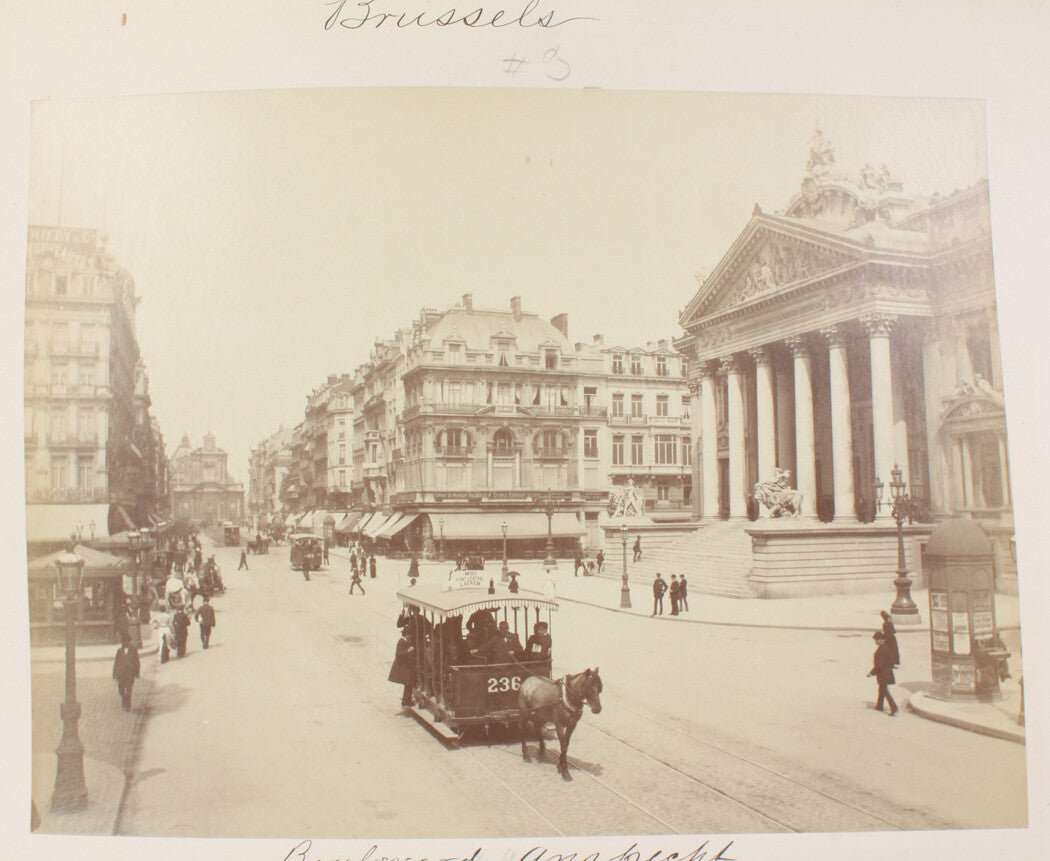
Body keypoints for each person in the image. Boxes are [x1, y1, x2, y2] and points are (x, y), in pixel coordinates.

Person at [868, 631, 899, 716]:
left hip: (883, 673)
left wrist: (871, 673)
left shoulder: (882, 649)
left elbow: (879, 664)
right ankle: (879, 706)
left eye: (877, 639)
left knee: (884, 690)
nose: (875, 641)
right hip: (886, 672)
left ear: (881, 640)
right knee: (882, 688)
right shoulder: (886, 648)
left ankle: (894, 707)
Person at [388, 629, 416, 709]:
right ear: (406, 634)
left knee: (408, 684)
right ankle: (406, 702)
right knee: (408, 683)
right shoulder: (401, 642)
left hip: (405, 667)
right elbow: (399, 655)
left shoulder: (404, 641)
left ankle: (406, 700)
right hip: (403, 667)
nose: (410, 636)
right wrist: (408, 651)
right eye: (409, 635)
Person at [112, 636, 140, 711]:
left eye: (126, 642)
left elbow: (137, 662)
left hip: (130, 673)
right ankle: (124, 699)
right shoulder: (119, 651)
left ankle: (127, 705)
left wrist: (137, 672)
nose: (125, 643)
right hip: (121, 674)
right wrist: (114, 674)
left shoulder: (133, 650)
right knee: (121, 689)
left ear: (129, 642)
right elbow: (116, 663)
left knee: (128, 689)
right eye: (123, 642)